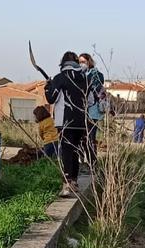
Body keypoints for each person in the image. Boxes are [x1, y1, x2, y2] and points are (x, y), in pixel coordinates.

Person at [45, 51, 89, 198]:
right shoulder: (84, 78)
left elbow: (51, 98)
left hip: (65, 121)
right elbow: (90, 100)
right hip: (81, 121)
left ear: (62, 63)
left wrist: (48, 87)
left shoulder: (60, 78)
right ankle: (74, 182)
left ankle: (67, 184)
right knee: (75, 151)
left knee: (66, 151)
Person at [79, 53, 105, 155]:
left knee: (90, 136)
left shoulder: (96, 75)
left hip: (92, 110)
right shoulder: (81, 74)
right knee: (82, 137)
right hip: (82, 110)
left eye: (83, 62)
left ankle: (92, 160)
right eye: (79, 62)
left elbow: (95, 91)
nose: (81, 64)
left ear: (89, 62)